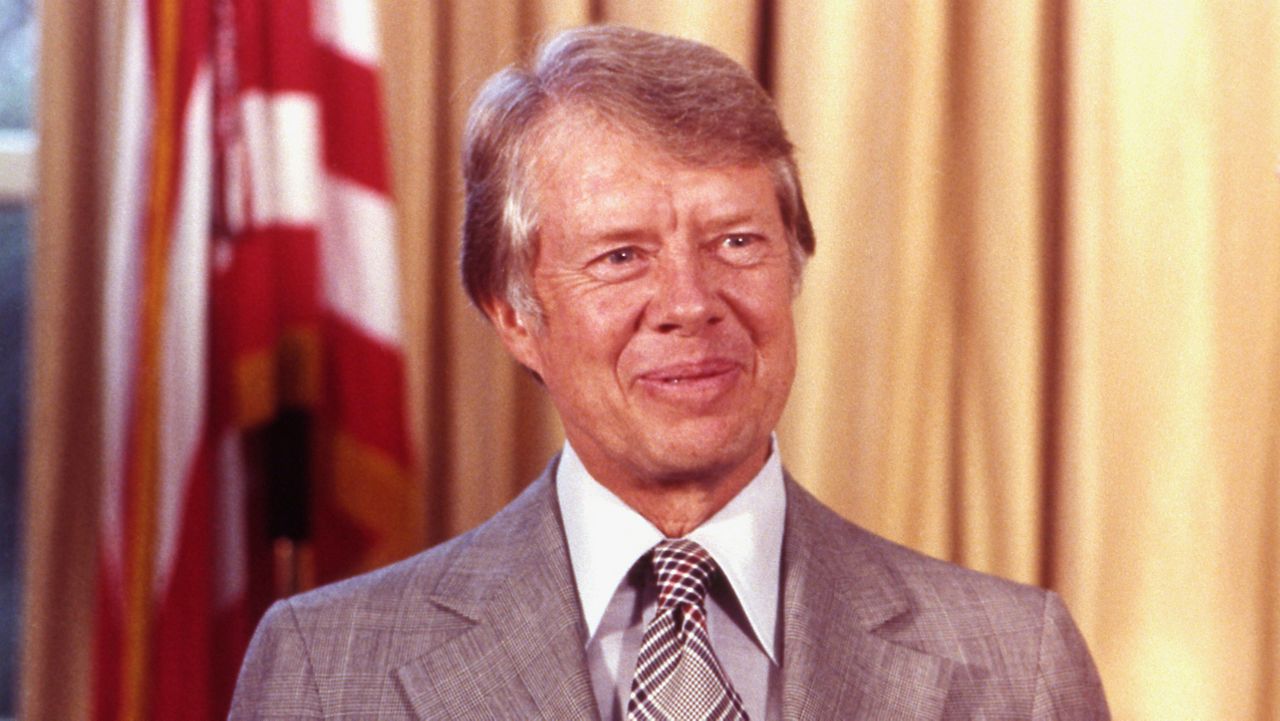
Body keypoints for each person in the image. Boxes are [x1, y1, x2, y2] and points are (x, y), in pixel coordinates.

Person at [231, 25, 1109, 720]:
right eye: (620, 256)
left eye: (736, 241)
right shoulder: (327, 666)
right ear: (512, 314)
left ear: (795, 266)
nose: (690, 301)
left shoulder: (1013, 663)